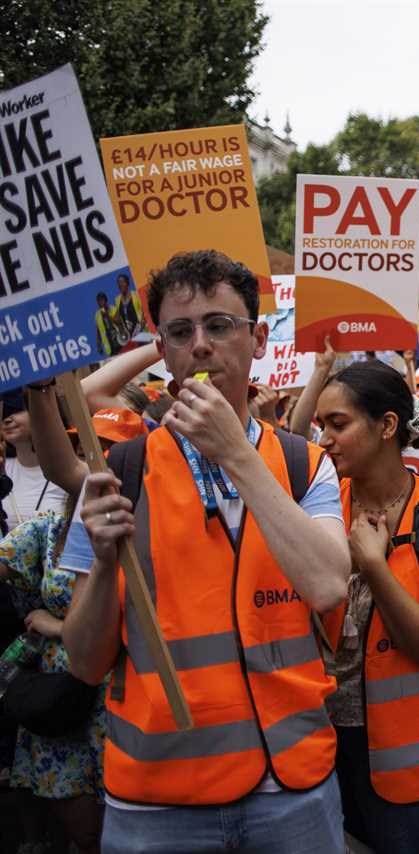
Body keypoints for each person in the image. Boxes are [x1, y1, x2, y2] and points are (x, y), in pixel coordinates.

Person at [61, 250, 351, 851]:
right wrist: (107, 556)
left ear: (259, 339)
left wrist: (236, 455)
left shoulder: (304, 465)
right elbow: (86, 664)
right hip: (157, 799)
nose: (201, 345)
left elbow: (326, 588)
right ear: (162, 350)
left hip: (292, 790)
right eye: (180, 331)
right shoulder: (120, 470)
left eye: (220, 326)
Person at [313, 360, 419, 853]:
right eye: (320, 425)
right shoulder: (319, 504)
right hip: (317, 747)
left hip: (404, 766)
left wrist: (374, 568)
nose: (323, 440)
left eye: (338, 424)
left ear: (387, 426)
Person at [1, 492, 106, 854]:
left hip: (118, 695)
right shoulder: (49, 529)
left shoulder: (147, 523)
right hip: (60, 697)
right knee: (85, 831)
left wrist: (59, 628)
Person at [2, 390, 69, 529]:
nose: (7, 419)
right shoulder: (2, 469)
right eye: (3, 414)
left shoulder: (70, 470)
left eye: (17, 410)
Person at [111, 274, 144, 341]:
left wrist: (139, 329)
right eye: (119, 283)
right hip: (129, 336)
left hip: (141, 332)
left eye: (122, 282)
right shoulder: (117, 300)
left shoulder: (136, 295)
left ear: (127, 283)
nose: (120, 284)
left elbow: (144, 314)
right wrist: (110, 317)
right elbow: (118, 319)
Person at [94, 292, 125, 356]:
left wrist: (107, 315)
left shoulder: (113, 309)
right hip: (109, 346)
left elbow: (119, 322)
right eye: (98, 301)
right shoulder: (97, 315)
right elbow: (98, 331)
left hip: (118, 341)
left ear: (106, 300)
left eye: (102, 300)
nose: (100, 303)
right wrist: (98, 345)